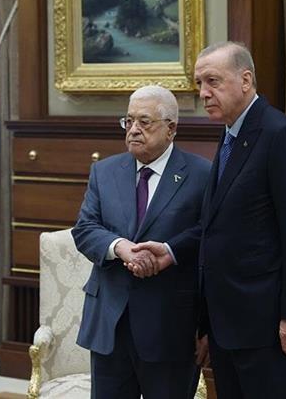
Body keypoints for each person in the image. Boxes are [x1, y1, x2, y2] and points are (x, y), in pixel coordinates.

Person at [136, 42, 286, 398]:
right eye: (199, 84)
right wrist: (171, 251)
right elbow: (220, 227)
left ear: (246, 80)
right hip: (228, 325)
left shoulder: (279, 134)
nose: (203, 93)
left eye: (213, 81)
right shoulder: (230, 135)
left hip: (269, 326)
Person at [72, 85, 211, 399]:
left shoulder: (202, 174)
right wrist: (120, 247)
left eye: (144, 122)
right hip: (110, 323)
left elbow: (209, 235)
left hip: (171, 326)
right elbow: (85, 229)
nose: (133, 129)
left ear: (170, 129)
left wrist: (170, 252)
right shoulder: (104, 171)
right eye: (129, 121)